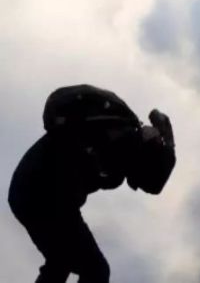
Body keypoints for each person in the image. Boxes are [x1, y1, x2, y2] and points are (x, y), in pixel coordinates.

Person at [7, 84, 176, 283]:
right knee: (95, 270)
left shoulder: (122, 133)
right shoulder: (126, 143)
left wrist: (165, 141)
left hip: (29, 190)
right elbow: (153, 183)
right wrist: (166, 143)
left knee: (61, 261)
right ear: (147, 159)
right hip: (43, 195)